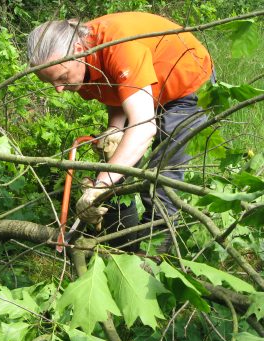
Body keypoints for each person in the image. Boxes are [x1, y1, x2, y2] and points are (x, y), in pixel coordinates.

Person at [27, 12, 213, 252]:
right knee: (115, 165)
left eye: (61, 78)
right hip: (146, 88)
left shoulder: (118, 46)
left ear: (77, 49)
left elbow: (144, 126)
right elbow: (115, 89)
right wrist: (115, 129)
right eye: (50, 83)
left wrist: (98, 187)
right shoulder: (78, 64)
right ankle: (119, 249)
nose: (59, 89)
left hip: (185, 84)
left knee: (160, 175)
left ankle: (152, 260)